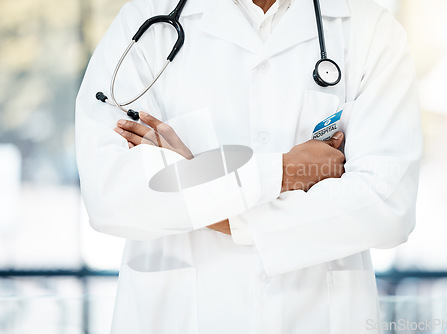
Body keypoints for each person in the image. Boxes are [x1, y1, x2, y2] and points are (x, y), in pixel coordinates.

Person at [75, 0, 422, 332]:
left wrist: (194, 180)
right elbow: (112, 196)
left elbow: (387, 205)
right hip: (177, 318)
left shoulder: (370, 30)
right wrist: (284, 171)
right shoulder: (145, 24)